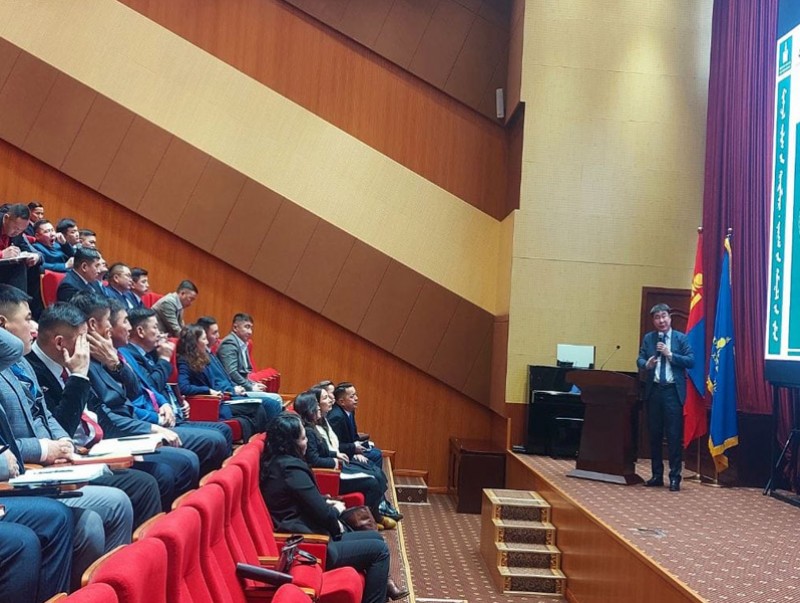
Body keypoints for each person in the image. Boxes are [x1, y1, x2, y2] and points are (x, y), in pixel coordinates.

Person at [25, 302, 162, 528]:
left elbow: (100, 414)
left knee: (159, 468)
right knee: (146, 483)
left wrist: (124, 448)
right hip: (63, 459)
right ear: (60, 343)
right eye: (82, 339)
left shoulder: (67, 362)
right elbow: (59, 429)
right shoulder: (33, 370)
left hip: (95, 447)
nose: (87, 346)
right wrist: (78, 377)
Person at [70, 291, 200, 510]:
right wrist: (153, 424)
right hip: (114, 435)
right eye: (116, 321)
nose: (127, 327)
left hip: (134, 424)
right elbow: (107, 414)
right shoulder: (84, 360)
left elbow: (137, 390)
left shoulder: (111, 354)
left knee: (188, 459)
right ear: (92, 324)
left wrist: (116, 365)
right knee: (172, 468)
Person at [260, 413, 408, 603]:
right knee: (380, 550)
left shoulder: (277, 463)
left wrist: (327, 505)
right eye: (303, 438)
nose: (307, 442)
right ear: (290, 443)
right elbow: (323, 514)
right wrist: (336, 510)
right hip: (312, 544)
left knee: (375, 537)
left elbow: (302, 502)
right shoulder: (291, 470)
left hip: (310, 534)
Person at [108, 303, 230, 475]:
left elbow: (150, 387)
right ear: (141, 331)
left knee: (223, 431)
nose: (160, 333)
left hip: (167, 414)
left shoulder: (144, 354)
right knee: (213, 440)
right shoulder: (127, 354)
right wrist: (164, 359)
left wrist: (171, 402)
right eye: (155, 327)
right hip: (148, 422)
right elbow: (148, 388)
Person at [293, 389, 392, 529]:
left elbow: (323, 450)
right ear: (309, 408)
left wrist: (335, 454)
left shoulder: (313, 427)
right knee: (372, 481)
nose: (318, 407)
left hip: (335, 466)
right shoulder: (308, 430)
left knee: (376, 474)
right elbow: (313, 460)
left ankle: (375, 515)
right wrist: (334, 460)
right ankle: (368, 519)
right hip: (331, 473)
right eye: (316, 404)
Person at [637, 303, 694, 492]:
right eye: (657, 318)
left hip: (672, 392)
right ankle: (656, 475)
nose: (661, 320)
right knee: (654, 435)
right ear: (654, 321)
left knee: (673, 435)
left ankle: (675, 477)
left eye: (664, 316)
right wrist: (647, 364)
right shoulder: (649, 338)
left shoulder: (680, 338)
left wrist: (670, 355)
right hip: (654, 391)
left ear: (670, 318)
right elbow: (640, 358)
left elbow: (691, 361)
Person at [176, 324, 268, 440]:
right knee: (257, 408)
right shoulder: (184, 361)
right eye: (203, 339)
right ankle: (258, 444)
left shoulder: (203, 358)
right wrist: (208, 390)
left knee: (257, 407)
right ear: (194, 342)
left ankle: (256, 443)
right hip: (210, 404)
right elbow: (183, 387)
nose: (206, 342)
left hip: (221, 399)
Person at [216, 312, 284, 407]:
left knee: (273, 398)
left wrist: (253, 384)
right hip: (233, 390)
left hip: (242, 387)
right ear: (235, 328)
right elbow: (231, 372)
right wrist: (251, 387)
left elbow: (244, 373)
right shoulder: (229, 343)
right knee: (276, 399)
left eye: (251, 328)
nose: (250, 332)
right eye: (247, 327)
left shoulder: (242, 344)